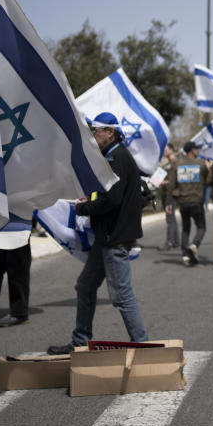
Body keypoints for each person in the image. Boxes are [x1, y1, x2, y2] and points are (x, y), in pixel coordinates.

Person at [48, 112, 148, 354]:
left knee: (122, 297)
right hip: (106, 239)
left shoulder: (117, 158)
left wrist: (83, 208)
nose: (93, 136)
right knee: (85, 286)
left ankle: (144, 347)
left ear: (110, 132)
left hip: (114, 239)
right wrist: (90, 199)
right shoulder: (114, 156)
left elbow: (112, 201)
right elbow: (109, 194)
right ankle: (80, 341)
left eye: (97, 131)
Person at [165, 141, 211, 266]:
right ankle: (194, 245)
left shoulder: (178, 164)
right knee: (201, 227)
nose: (198, 151)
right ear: (192, 150)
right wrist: (208, 168)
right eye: (196, 148)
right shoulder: (201, 164)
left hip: (183, 202)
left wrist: (168, 203)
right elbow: (209, 180)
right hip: (197, 202)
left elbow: (171, 185)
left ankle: (185, 255)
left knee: (186, 228)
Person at [158, 142, 180, 251]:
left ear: (171, 149)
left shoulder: (175, 163)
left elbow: (173, 181)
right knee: (172, 218)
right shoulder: (168, 163)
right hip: (167, 192)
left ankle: (169, 242)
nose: (164, 151)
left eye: (166, 149)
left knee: (170, 218)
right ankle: (176, 241)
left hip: (170, 194)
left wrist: (167, 183)